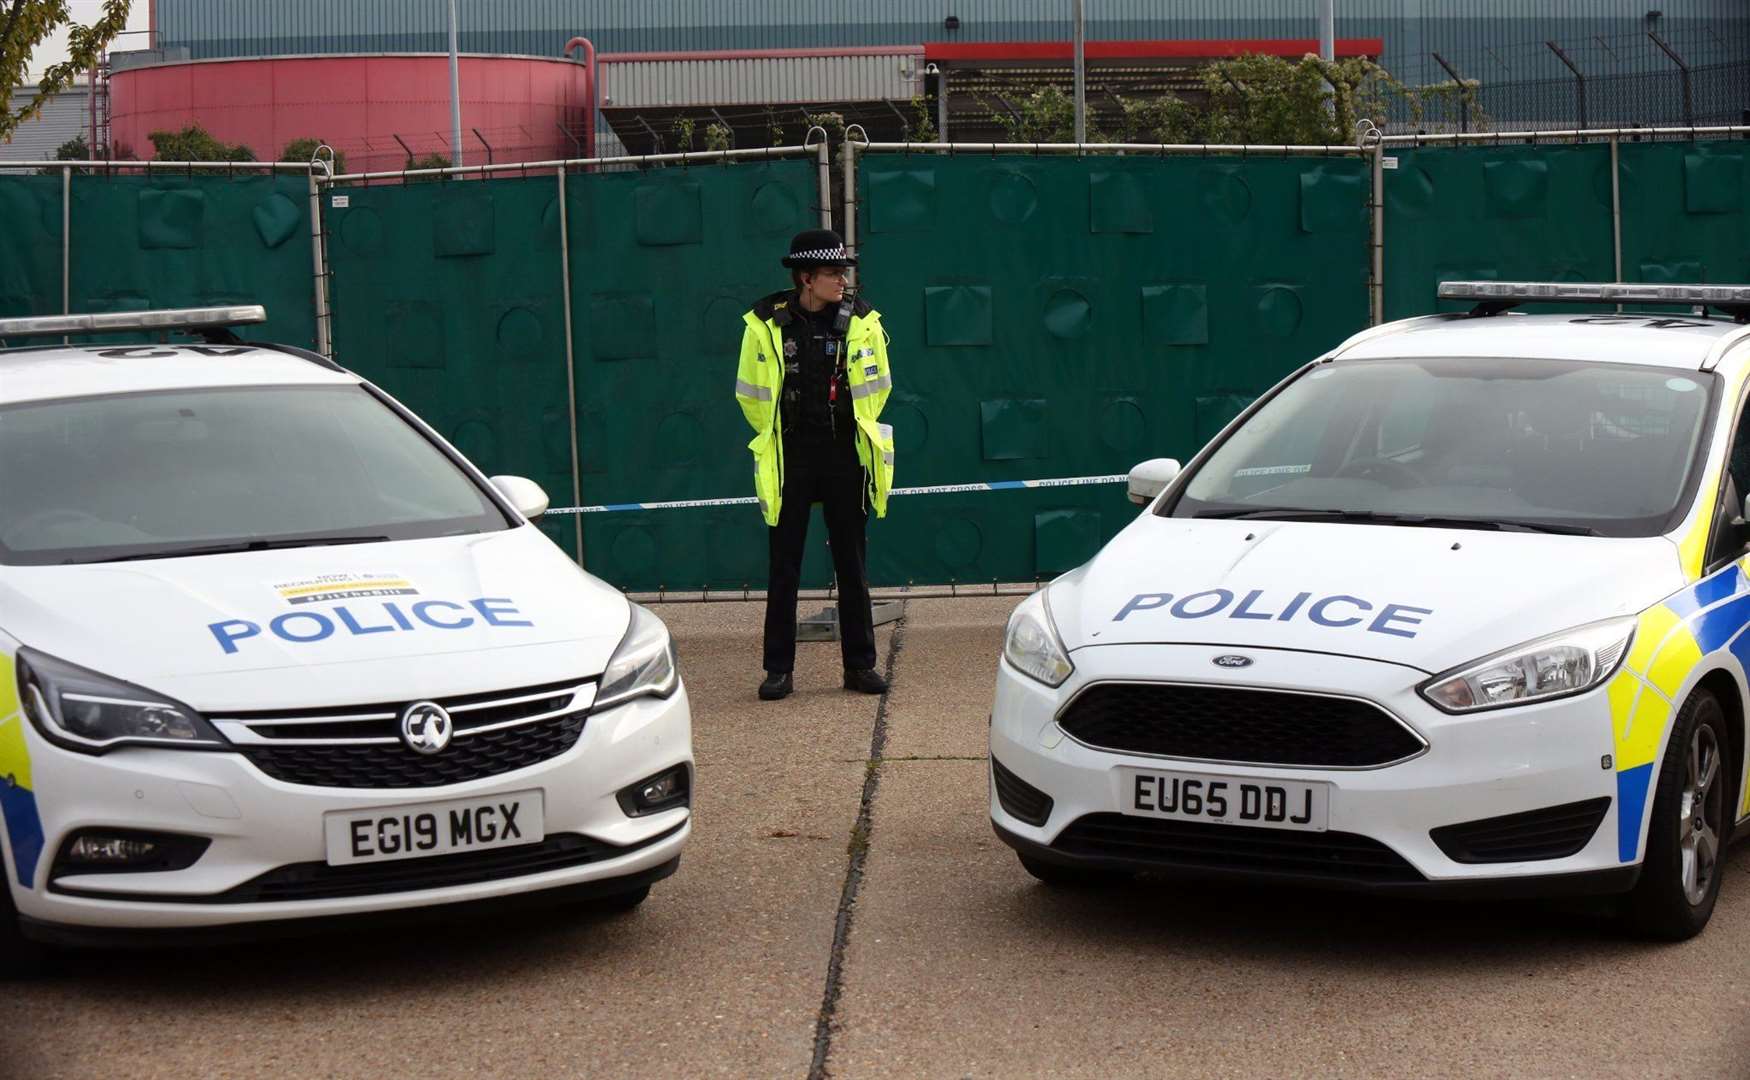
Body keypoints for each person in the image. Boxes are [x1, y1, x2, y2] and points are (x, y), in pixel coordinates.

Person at [735, 229, 895, 701]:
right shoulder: (765, 324)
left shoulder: (863, 321)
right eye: (832, 273)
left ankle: (860, 666)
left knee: (853, 564)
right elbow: (749, 393)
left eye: (843, 272)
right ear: (806, 277)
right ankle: (778, 670)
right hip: (791, 455)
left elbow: (879, 385)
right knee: (784, 565)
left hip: (846, 453)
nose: (842, 281)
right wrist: (779, 434)